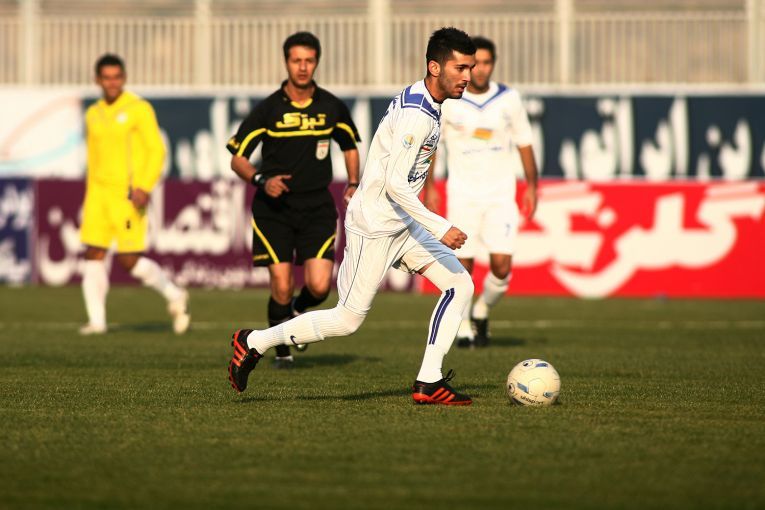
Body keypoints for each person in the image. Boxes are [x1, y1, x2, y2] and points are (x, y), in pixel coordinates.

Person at [228, 27, 477, 405]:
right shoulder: (417, 115)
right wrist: (440, 226)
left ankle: (429, 380)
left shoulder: (426, 100)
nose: (467, 76)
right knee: (347, 320)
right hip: (375, 225)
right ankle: (253, 342)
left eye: (469, 68)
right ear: (435, 67)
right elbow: (395, 184)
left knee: (460, 285)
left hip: (402, 224)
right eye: (460, 68)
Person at [226, 32, 361, 369]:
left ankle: (298, 312)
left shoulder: (331, 106)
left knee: (320, 286)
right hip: (274, 210)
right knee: (282, 286)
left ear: (317, 62)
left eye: (309, 61)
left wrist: (353, 182)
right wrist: (261, 180)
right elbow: (238, 159)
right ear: (286, 62)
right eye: (296, 60)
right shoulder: (268, 109)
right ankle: (281, 351)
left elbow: (349, 145)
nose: (302, 67)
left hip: (317, 207)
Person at [424, 36, 538, 348]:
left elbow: (525, 142)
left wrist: (532, 186)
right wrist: (430, 186)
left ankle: (482, 309)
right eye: (476, 64)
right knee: (464, 267)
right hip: (463, 194)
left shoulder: (508, 99)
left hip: (500, 195)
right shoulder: (451, 100)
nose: (481, 69)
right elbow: (433, 146)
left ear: (493, 65)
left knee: (502, 267)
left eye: (487, 63)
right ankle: (463, 326)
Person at [79, 54, 190, 335]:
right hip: (98, 196)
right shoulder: (93, 114)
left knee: (129, 260)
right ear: (98, 80)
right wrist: (90, 194)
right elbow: (93, 157)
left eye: (117, 77)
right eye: (107, 78)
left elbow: (156, 149)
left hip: (127, 194)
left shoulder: (139, 108)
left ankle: (174, 293)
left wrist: (144, 185)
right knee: (93, 253)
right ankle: (97, 322)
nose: (112, 83)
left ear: (124, 78)